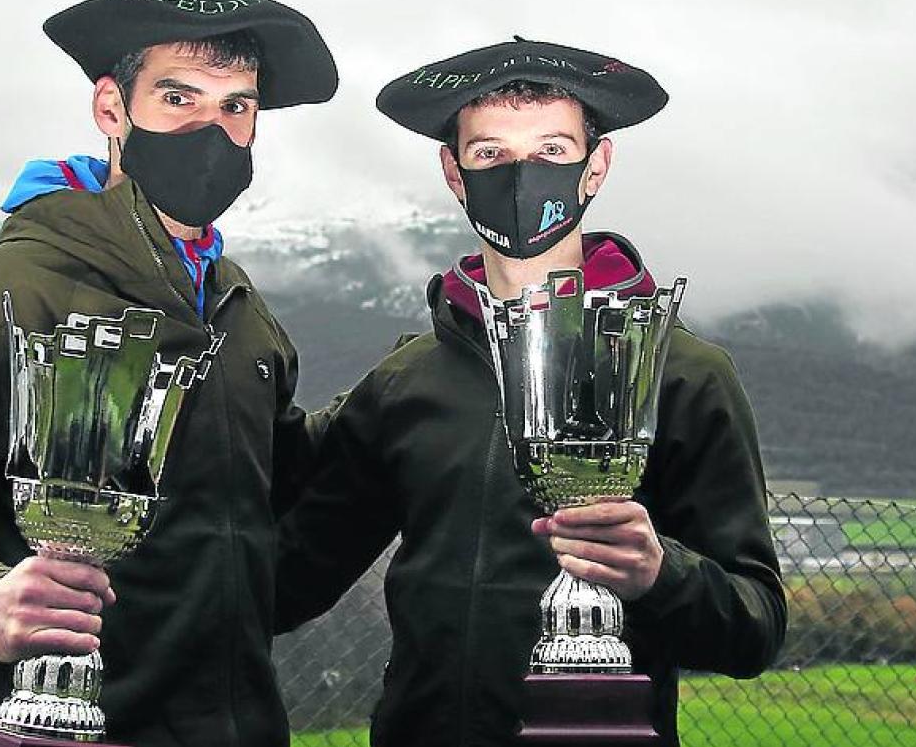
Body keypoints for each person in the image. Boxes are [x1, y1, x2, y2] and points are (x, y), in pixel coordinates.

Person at [0, 0, 337, 746]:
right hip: (53, 727)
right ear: (111, 109)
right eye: (179, 98)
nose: (214, 130)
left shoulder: (240, 311)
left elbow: (270, 505)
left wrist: (409, 394)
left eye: (237, 107)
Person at [274, 38, 787, 747]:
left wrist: (660, 574)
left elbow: (755, 628)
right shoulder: (408, 380)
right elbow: (287, 579)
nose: (520, 176)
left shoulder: (682, 372)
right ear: (454, 172)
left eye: (551, 150)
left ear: (596, 165)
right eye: (490, 154)